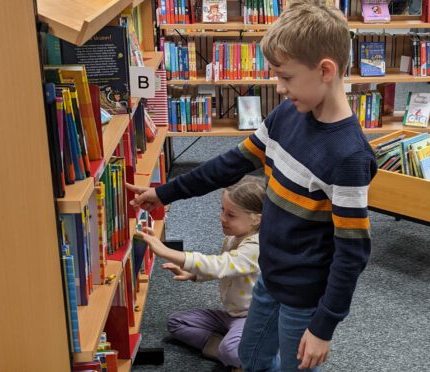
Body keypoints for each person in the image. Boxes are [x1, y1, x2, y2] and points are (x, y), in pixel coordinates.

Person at [127, 0, 377, 369]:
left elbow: (352, 252)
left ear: (326, 70)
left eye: (286, 77)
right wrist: (165, 193)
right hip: (268, 276)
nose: (278, 87)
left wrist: (323, 327)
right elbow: (230, 164)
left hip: (303, 298)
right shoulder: (286, 115)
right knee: (249, 356)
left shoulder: (349, 157)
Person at [134, 175, 266, 369]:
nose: (222, 218)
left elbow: (220, 265)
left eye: (231, 215)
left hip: (251, 317)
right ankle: (232, 351)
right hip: (232, 314)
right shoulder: (236, 236)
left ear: (256, 220)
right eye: (223, 210)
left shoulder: (256, 246)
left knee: (230, 350)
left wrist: (168, 252)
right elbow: (227, 269)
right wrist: (195, 275)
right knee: (177, 322)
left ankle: (248, 353)